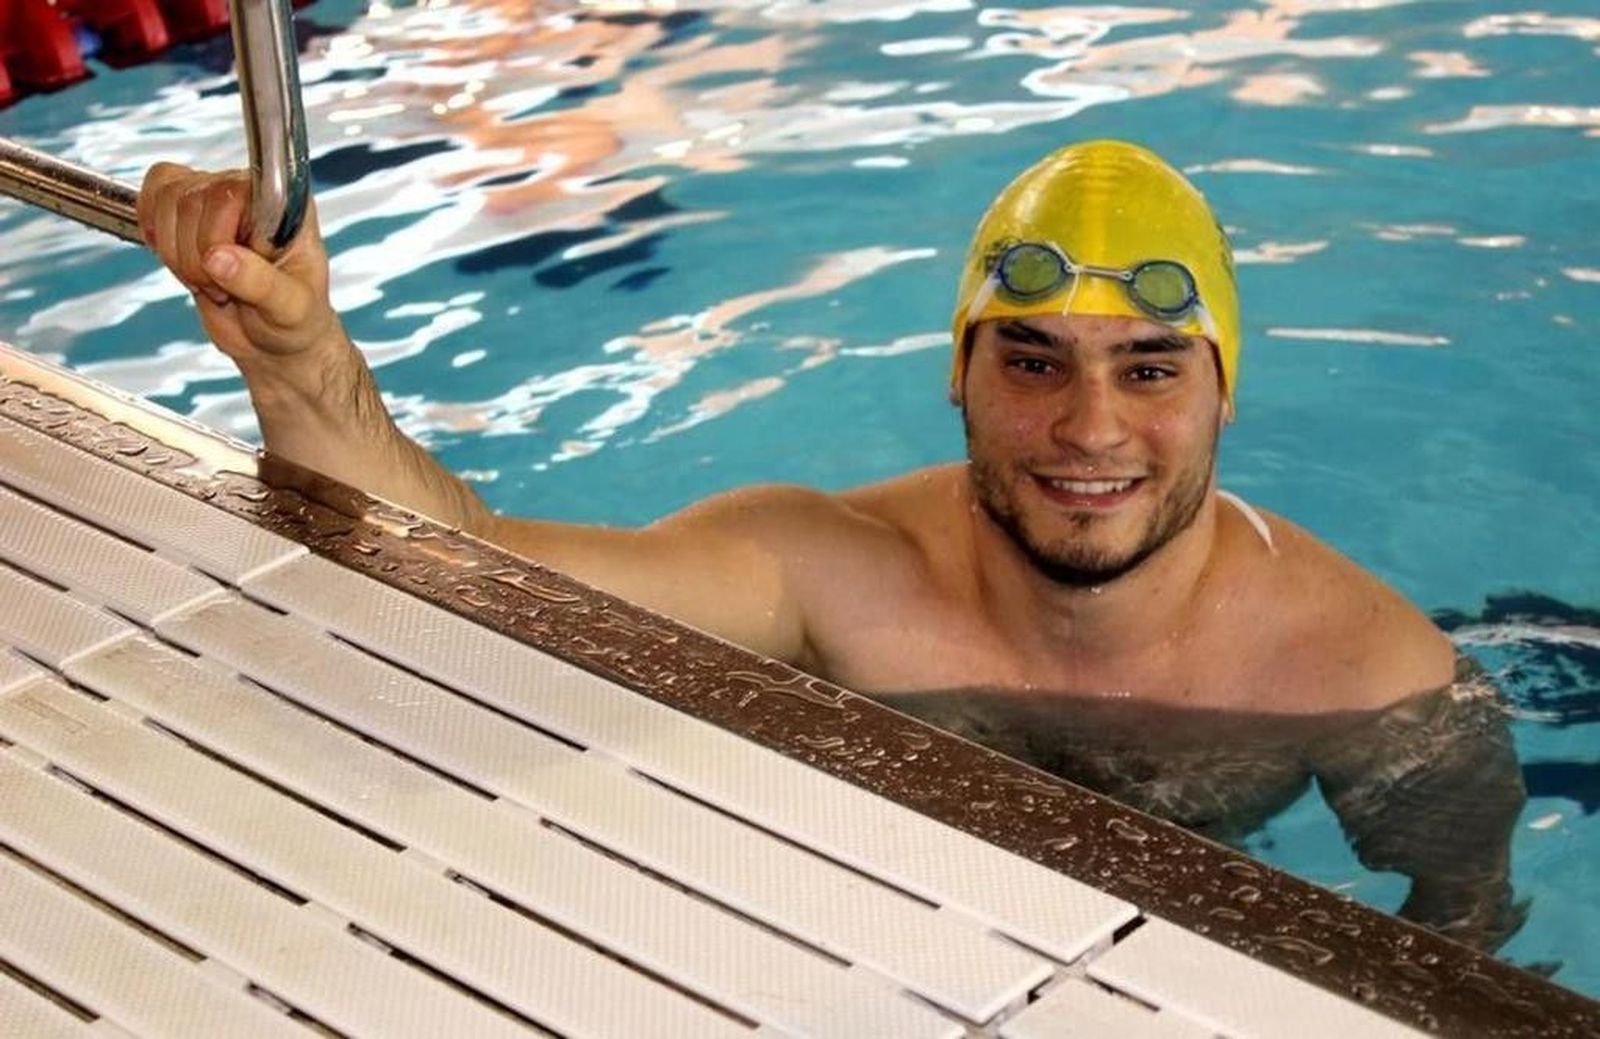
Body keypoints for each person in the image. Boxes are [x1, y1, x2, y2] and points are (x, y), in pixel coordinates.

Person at [139, 139, 1525, 949]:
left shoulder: (1368, 675)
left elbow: (1468, 944)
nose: (1089, 430)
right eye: (1032, 363)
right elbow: (464, 571)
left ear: (1226, 390)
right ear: (958, 377)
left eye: (1152, 371)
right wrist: (301, 361)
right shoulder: (825, 564)